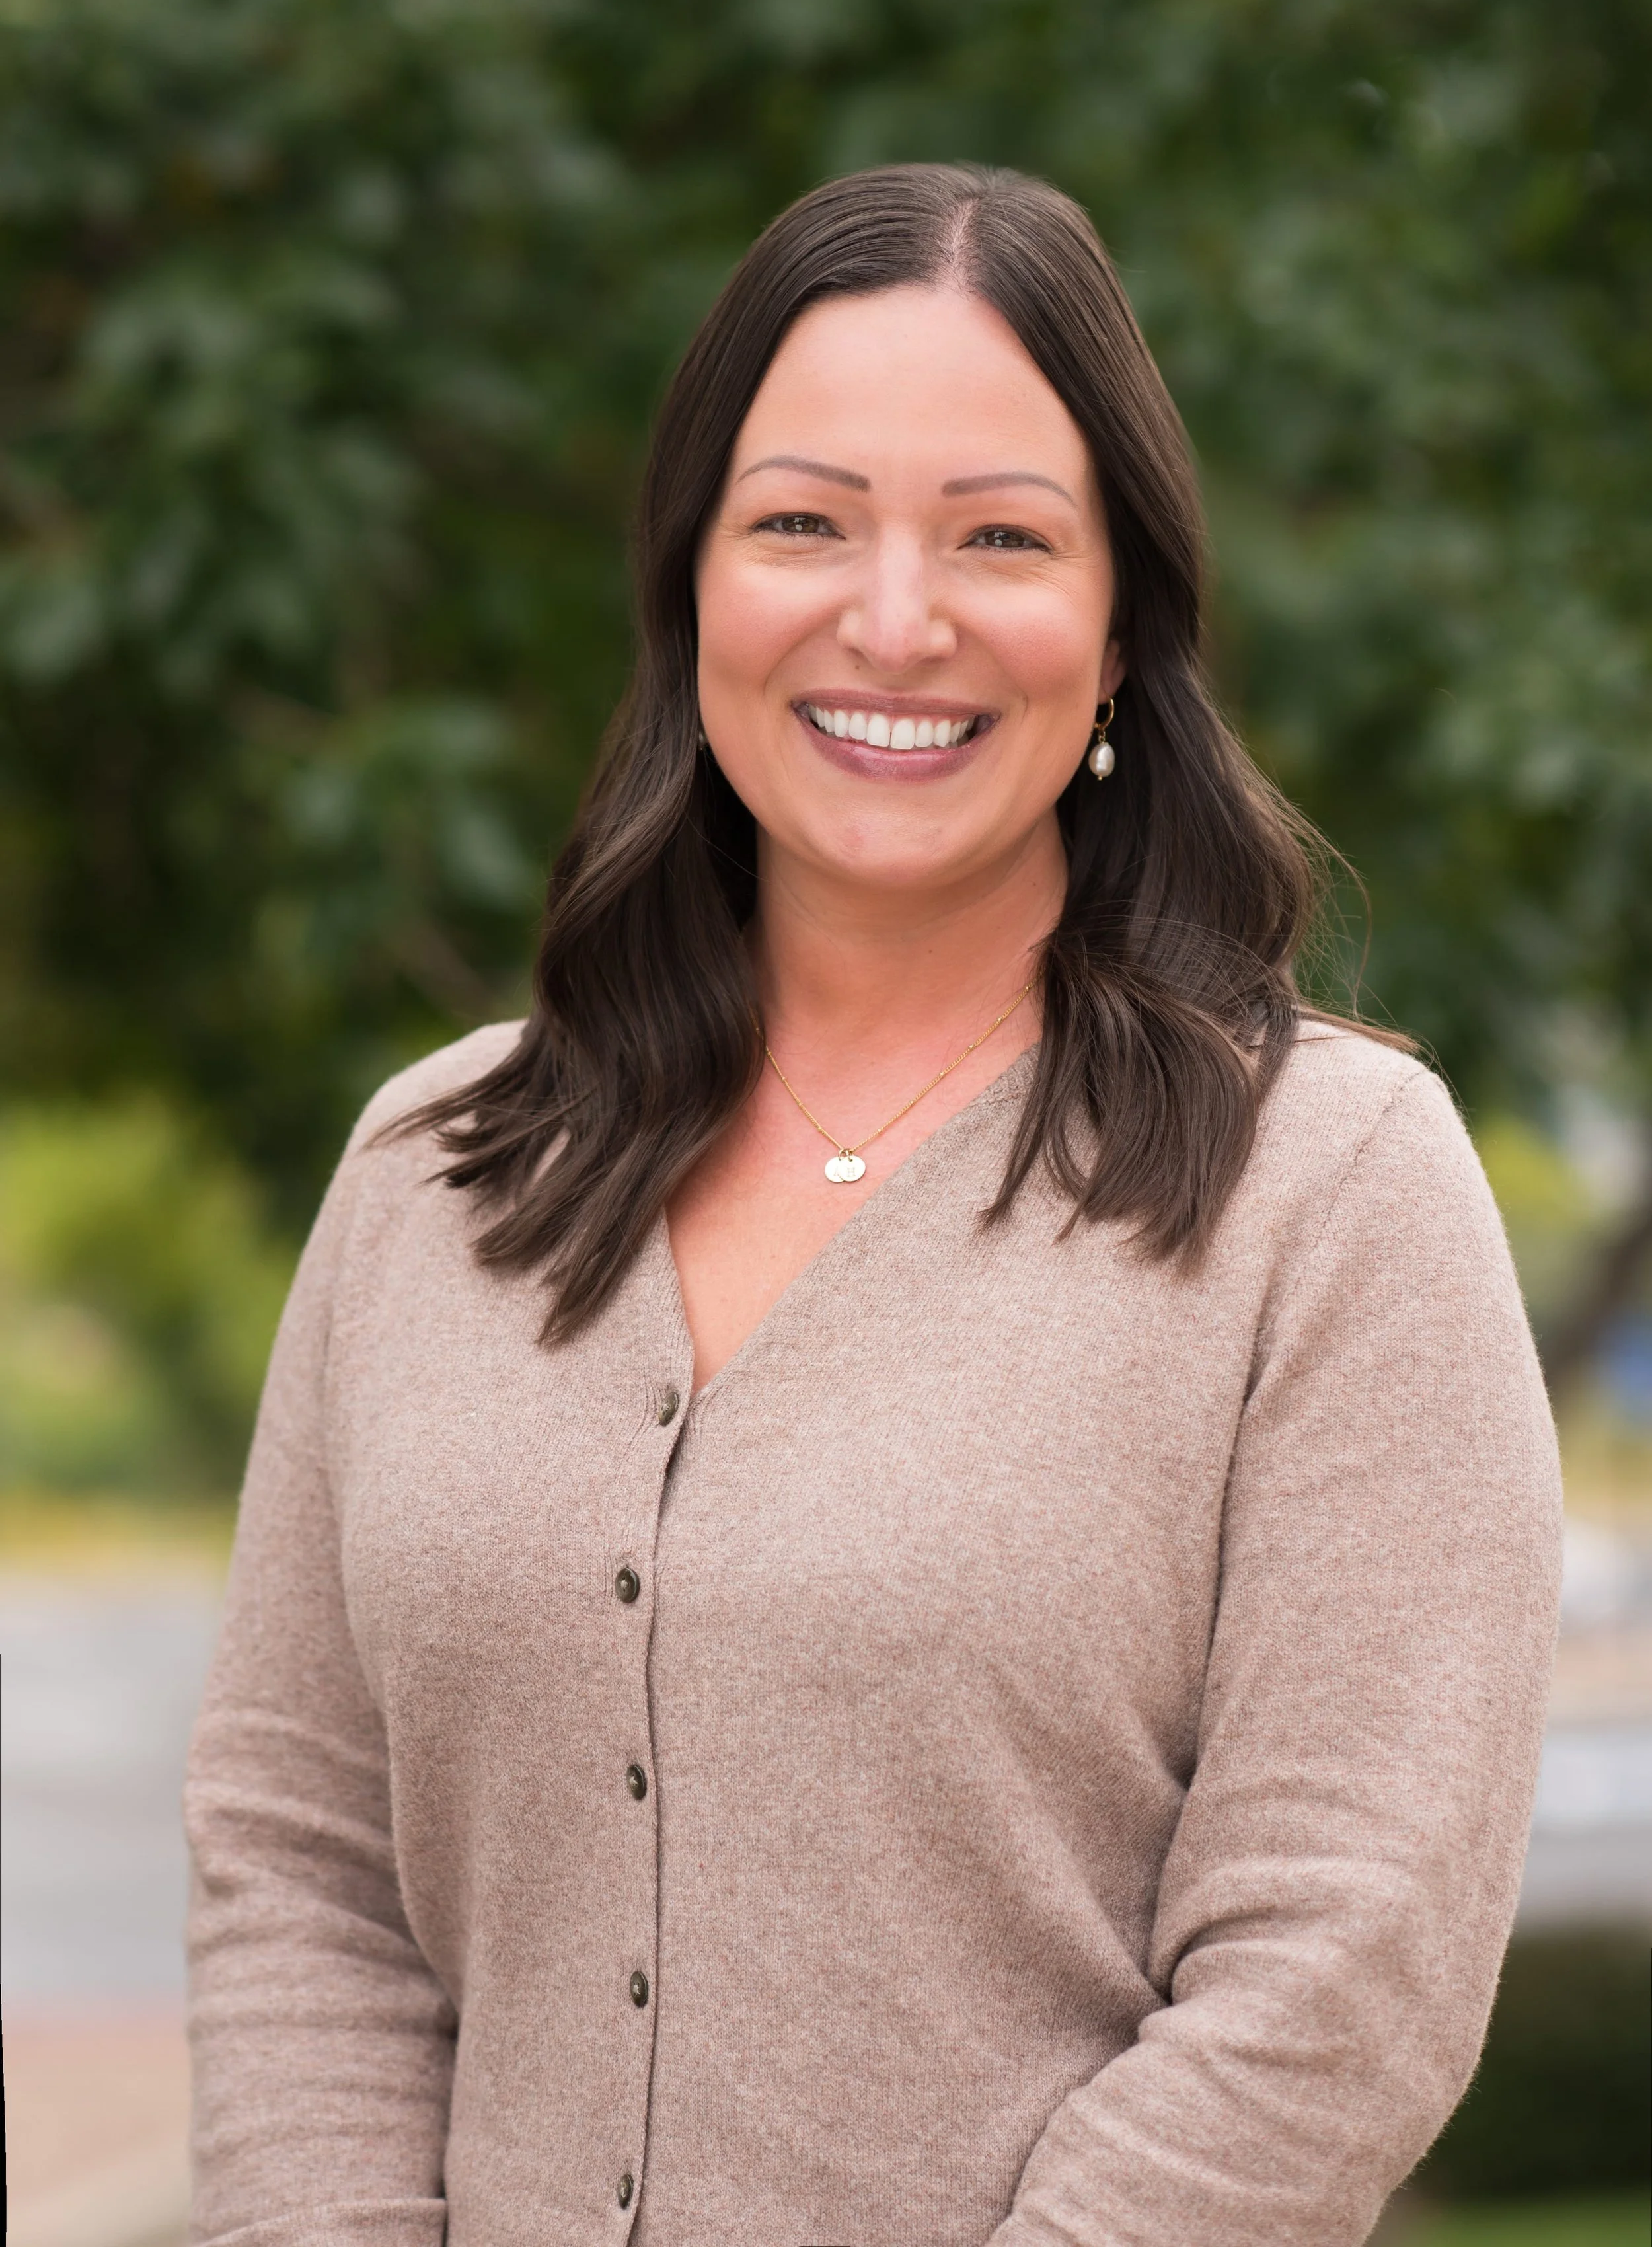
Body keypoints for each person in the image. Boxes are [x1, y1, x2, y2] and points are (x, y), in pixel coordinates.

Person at [186, 163, 1561, 2247]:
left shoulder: (1332, 1194)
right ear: (692, 590)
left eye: (1000, 537)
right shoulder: (431, 1174)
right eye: (802, 522)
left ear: (1118, 632)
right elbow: (297, 1862)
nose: (894, 618)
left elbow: (1338, 1968)